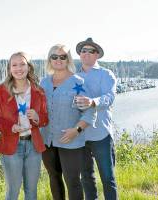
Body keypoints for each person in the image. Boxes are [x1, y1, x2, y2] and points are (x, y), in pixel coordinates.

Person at [40, 44, 96, 200]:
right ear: (49, 60)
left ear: (68, 59)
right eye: (55, 56)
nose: (59, 60)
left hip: (70, 141)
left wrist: (75, 131)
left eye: (63, 56)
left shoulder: (78, 82)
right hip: (48, 140)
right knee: (54, 177)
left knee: (72, 181)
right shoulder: (44, 83)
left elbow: (90, 112)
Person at [0, 52, 48, 200]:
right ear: (9, 69)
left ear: (29, 67)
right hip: (11, 147)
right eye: (14, 65)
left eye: (22, 64)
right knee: (13, 192)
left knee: (31, 192)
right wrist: (11, 127)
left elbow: (45, 119)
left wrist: (37, 118)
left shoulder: (38, 91)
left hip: (34, 147)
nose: (18, 68)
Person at [75, 37, 118, 200]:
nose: (85, 53)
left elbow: (109, 97)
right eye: (83, 51)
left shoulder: (106, 74)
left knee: (108, 178)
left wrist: (93, 102)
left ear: (97, 54)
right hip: (81, 135)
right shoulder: (74, 77)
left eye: (90, 51)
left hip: (101, 134)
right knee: (86, 178)